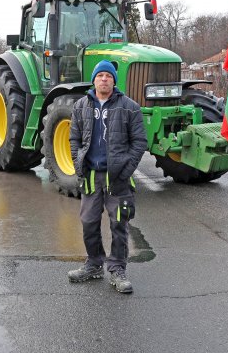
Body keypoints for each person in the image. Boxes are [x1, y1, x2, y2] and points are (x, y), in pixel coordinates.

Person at [67, 60, 147, 294]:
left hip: (118, 180)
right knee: (89, 223)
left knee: (119, 225)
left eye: (108, 76)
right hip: (91, 176)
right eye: (100, 75)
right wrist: (78, 164)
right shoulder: (81, 106)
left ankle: (117, 270)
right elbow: (74, 139)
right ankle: (93, 264)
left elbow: (139, 142)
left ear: (114, 80)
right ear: (94, 80)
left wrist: (126, 170)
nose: (104, 79)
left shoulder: (129, 107)